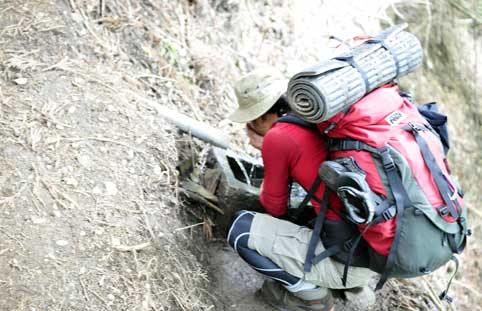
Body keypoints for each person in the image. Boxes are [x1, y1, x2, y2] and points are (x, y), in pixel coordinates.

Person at [226, 68, 377, 311]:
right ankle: (348, 285)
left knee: (240, 229)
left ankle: (312, 296)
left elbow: (274, 206)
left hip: (347, 261)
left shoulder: (279, 137)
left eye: (252, 121)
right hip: (375, 249)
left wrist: (268, 150)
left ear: (260, 118)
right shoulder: (319, 116)